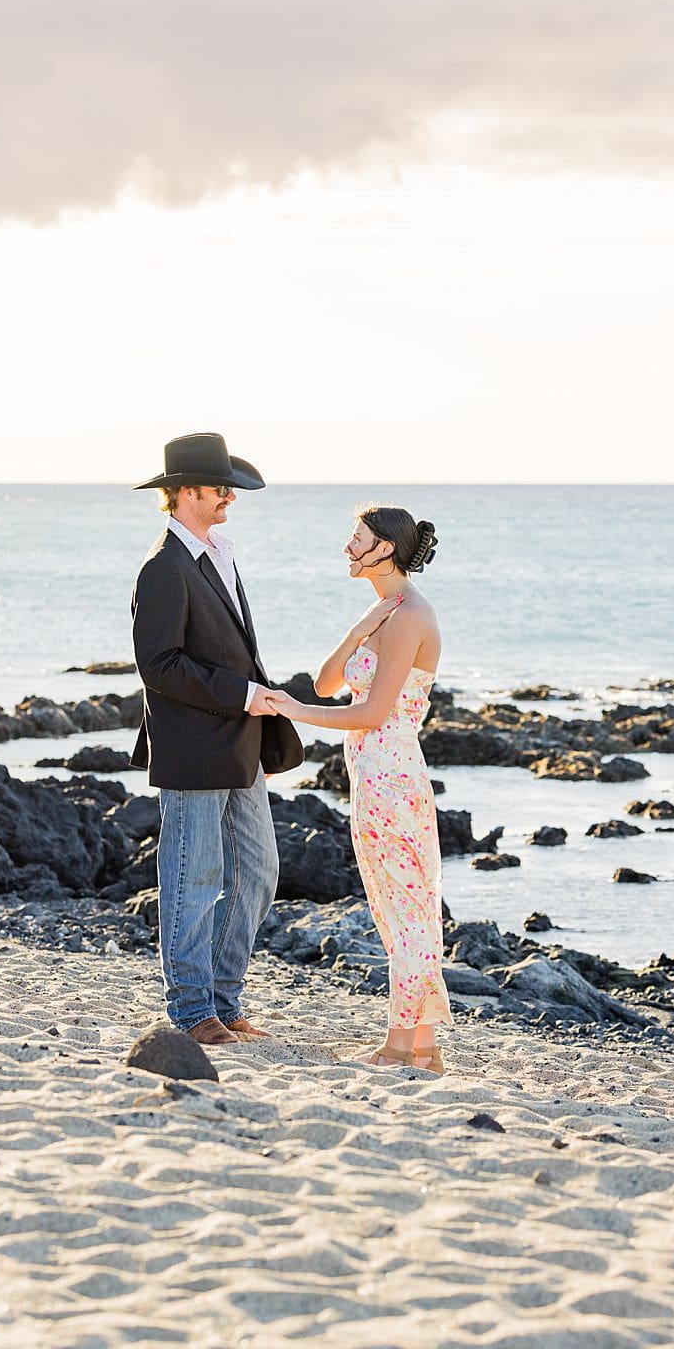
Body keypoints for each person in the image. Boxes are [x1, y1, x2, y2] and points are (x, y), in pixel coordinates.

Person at [130, 433, 303, 1046]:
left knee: (258, 872)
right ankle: (190, 1012)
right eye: (218, 485)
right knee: (193, 878)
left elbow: (235, 649)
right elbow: (159, 665)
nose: (229, 494)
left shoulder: (217, 554)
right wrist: (242, 694)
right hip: (194, 748)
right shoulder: (164, 567)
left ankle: (225, 1003)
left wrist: (267, 697)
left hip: (244, 742)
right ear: (183, 493)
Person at [264, 505, 450, 1072]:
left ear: (384, 550)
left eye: (357, 539)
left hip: (393, 777)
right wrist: (355, 632)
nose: (348, 548)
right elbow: (327, 682)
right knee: (393, 906)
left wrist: (294, 712)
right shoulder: (383, 612)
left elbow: (371, 713)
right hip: (372, 779)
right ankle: (424, 1046)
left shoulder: (413, 615)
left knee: (408, 907)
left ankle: (402, 1042)